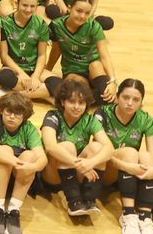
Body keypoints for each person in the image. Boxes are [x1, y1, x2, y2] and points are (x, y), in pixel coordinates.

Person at [95, 79, 153, 234]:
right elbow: (98, 153)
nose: (130, 103)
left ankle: (145, 219)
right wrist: (127, 166)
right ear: (117, 97)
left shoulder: (146, 119)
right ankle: (128, 214)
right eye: (125, 97)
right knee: (131, 152)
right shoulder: (102, 114)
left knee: (146, 157)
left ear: (141, 102)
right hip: (106, 169)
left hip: (128, 173)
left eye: (136, 100)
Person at [0, 92, 46, 234]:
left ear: (24, 116)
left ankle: (13, 210)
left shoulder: (29, 129)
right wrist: (14, 162)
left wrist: (32, 167)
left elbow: (42, 157)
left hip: (18, 173)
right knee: (4, 151)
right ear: (1, 111)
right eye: (8, 112)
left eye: (17, 114)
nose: (12, 116)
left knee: (31, 157)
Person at [39, 79, 113, 220]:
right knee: (67, 146)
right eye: (72, 102)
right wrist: (79, 163)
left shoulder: (90, 120)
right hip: (53, 174)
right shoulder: (53, 116)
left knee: (97, 147)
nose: (76, 107)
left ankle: (89, 199)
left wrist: (91, 163)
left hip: (75, 172)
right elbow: (50, 146)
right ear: (62, 102)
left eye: (81, 103)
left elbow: (109, 148)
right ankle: (74, 201)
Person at [0, 0, 60, 102]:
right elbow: (4, 56)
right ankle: (42, 94)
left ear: (37, 6)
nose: (28, 9)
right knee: (3, 77)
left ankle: (10, 93)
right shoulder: (5, 23)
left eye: (32, 6)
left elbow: (42, 55)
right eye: (24, 5)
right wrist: (22, 74)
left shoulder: (41, 24)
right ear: (17, 4)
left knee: (59, 84)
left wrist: (35, 76)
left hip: (34, 68)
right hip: (13, 68)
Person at [48, 0, 117, 104]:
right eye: (79, 11)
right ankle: (95, 97)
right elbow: (56, 50)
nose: (82, 16)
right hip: (72, 71)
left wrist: (112, 81)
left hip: (93, 70)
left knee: (96, 65)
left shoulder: (94, 26)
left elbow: (104, 55)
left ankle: (106, 95)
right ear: (70, 8)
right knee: (73, 86)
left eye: (86, 13)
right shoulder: (57, 25)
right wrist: (48, 70)